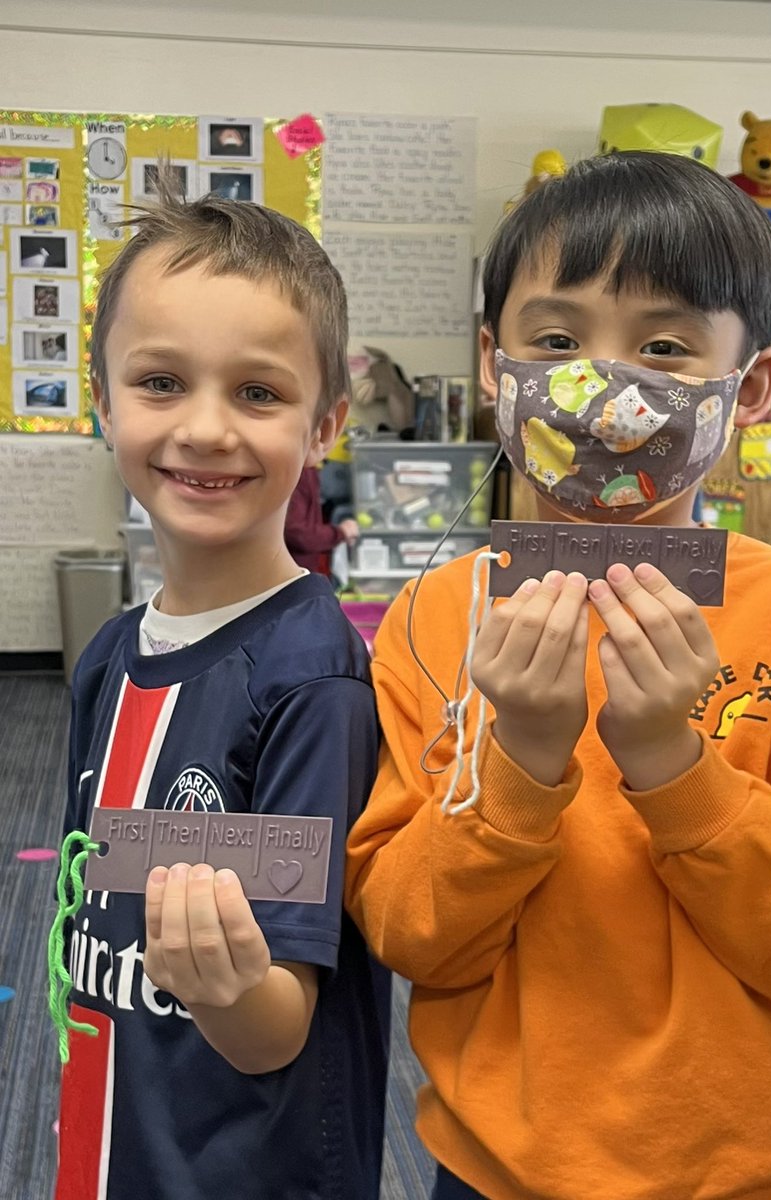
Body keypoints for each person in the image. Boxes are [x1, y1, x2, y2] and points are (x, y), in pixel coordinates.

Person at [345, 152, 771, 1200]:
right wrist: (517, 757)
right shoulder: (433, 617)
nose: (601, 389)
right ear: (490, 362)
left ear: (749, 390)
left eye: (661, 346)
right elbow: (412, 934)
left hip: (758, 1175)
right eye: (553, 342)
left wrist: (670, 763)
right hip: (493, 1167)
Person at [57, 181, 390, 1200]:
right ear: (101, 396)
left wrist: (230, 981)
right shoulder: (108, 655)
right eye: (161, 382)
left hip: (245, 1168)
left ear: (324, 421)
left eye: (257, 392)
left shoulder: (311, 679)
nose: (205, 429)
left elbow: (276, 1026)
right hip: (115, 1132)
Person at [285, 463, 359, 577]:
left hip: (299, 575)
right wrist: (341, 532)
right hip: (290, 578)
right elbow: (298, 534)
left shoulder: (307, 468)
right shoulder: (298, 470)